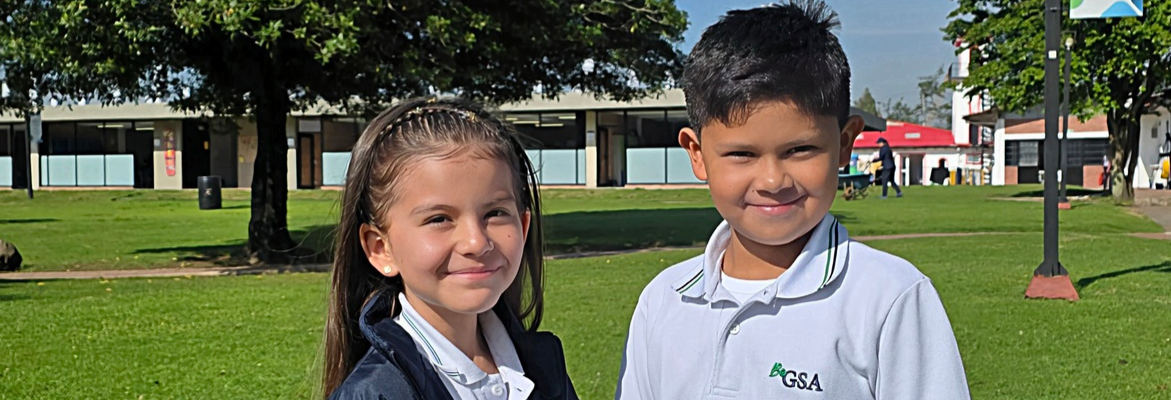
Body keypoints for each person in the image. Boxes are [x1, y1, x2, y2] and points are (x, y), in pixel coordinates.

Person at [615, 2, 969, 399]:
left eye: (800, 150)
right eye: (741, 154)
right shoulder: (663, 300)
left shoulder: (890, 297)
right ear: (697, 155)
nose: (772, 181)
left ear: (844, 145)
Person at [323, 97, 577, 400]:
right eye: (439, 219)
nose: (476, 242)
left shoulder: (542, 368)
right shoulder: (377, 392)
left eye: (495, 213)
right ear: (381, 248)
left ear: (523, 228)